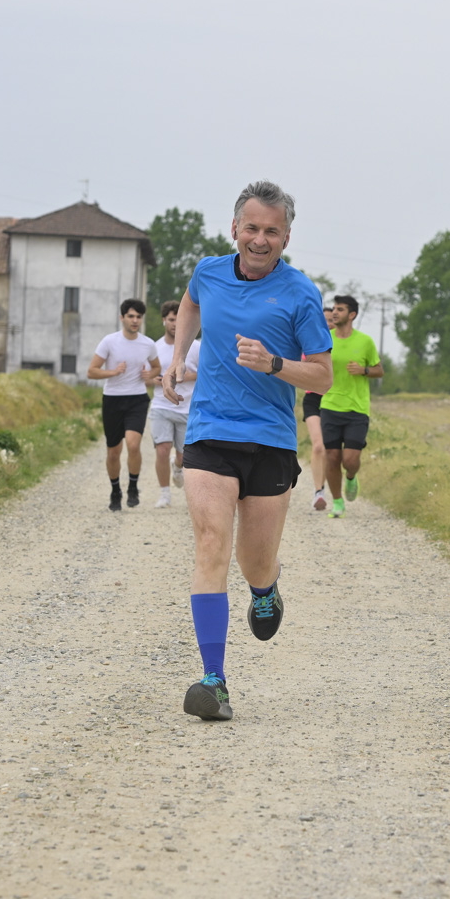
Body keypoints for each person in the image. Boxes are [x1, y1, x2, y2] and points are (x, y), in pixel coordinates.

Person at [162, 180, 332, 722]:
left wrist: (275, 364)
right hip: (210, 430)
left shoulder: (300, 293)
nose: (260, 239)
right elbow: (191, 302)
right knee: (211, 543)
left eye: (272, 232)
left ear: (286, 237)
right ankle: (213, 681)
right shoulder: (208, 271)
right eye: (252, 228)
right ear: (234, 228)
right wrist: (178, 356)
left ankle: (266, 588)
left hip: (270, 440)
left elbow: (323, 377)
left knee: (253, 561)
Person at [87, 299, 161, 511]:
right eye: (131, 316)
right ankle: (115, 490)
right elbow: (91, 371)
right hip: (113, 399)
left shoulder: (148, 344)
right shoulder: (109, 342)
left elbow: (157, 367)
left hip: (137, 399)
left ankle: (133, 487)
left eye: (138, 317)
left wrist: (150, 375)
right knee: (113, 451)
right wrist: (113, 372)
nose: (135, 320)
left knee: (133, 444)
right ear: (122, 318)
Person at [319, 294, 383, 518]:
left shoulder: (365, 342)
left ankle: (351, 477)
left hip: (357, 408)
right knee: (332, 456)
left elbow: (379, 370)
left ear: (352, 314)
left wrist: (364, 370)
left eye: (341, 309)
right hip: (330, 404)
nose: (335, 313)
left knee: (350, 460)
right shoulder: (325, 338)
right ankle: (337, 502)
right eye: (334, 309)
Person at [150, 300, 201, 508]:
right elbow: (146, 374)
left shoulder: (197, 347)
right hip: (161, 406)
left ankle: (178, 467)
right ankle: (165, 495)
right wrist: (155, 379)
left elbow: (207, 373)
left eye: (178, 319)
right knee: (162, 449)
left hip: (187, 407)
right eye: (171, 320)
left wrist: (185, 376)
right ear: (164, 320)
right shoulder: (155, 347)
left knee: (183, 455)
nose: (175, 324)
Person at [302, 302, 337, 511]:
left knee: (333, 451)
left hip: (337, 401)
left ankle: (339, 487)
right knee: (318, 446)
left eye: (331, 320)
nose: (328, 324)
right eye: (324, 320)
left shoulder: (341, 344)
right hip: (314, 398)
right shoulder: (310, 342)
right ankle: (318, 492)